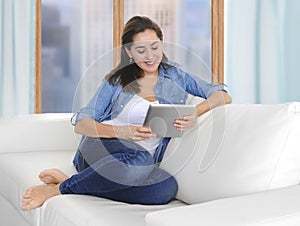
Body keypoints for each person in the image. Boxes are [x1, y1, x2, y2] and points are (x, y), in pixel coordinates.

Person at [21, 16, 232, 211]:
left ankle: (76, 181)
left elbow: (222, 95)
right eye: (141, 50)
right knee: (139, 159)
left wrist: (196, 112)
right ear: (129, 52)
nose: (150, 56)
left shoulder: (176, 75)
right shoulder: (117, 80)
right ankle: (58, 190)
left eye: (154, 47)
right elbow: (82, 123)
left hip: (140, 165)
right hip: (101, 148)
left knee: (165, 188)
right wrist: (122, 132)